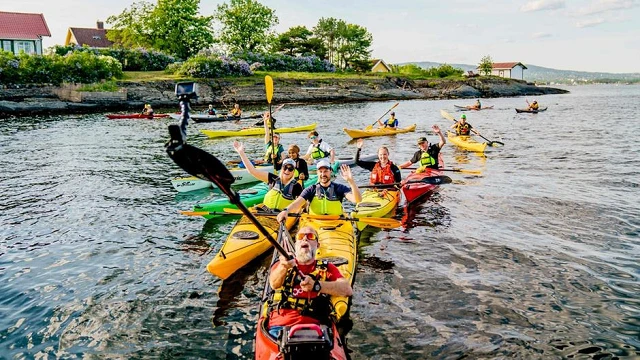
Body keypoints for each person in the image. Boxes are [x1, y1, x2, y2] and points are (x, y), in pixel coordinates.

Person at [266, 226, 353, 337]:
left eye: (310, 236)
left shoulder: (327, 268)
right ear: (296, 244)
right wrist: (283, 267)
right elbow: (274, 284)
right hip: (280, 326)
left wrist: (317, 286)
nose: (305, 239)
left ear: (318, 245)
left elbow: (347, 289)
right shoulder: (282, 264)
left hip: (317, 326)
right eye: (300, 236)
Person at [277, 159, 361, 221]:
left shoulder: (339, 188)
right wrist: (286, 210)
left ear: (331, 171)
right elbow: (297, 203)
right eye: (320, 171)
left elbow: (357, 200)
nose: (323, 174)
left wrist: (351, 181)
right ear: (317, 173)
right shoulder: (310, 189)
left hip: (336, 224)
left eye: (325, 171)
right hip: (315, 223)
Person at [233, 141, 302, 211]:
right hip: (266, 212)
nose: (287, 171)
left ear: (293, 171)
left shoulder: (297, 187)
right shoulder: (273, 179)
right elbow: (252, 171)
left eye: (290, 169)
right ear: (282, 168)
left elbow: (303, 204)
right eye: (285, 168)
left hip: (283, 215)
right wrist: (241, 153)